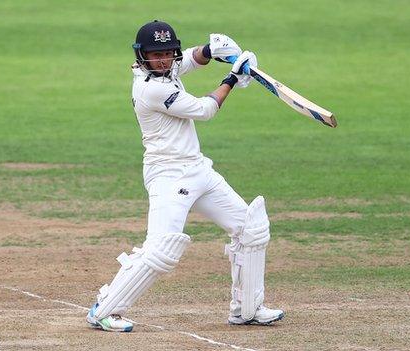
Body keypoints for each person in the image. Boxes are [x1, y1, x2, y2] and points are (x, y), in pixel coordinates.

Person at [86, 20, 284, 332]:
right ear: (142, 57)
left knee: (251, 228)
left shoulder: (167, 69)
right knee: (162, 249)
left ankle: (246, 309)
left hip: (198, 170)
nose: (164, 60)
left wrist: (213, 50)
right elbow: (206, 109)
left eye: (168, 53)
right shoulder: (151, 88)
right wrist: (233, 76)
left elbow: (191, 59)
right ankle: (105, 309)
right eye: (156, 55)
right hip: (168, 176)